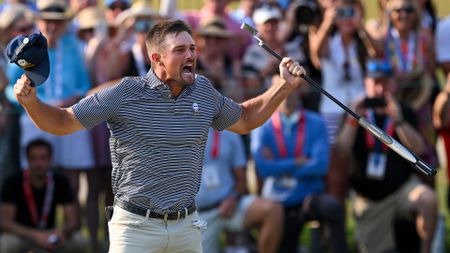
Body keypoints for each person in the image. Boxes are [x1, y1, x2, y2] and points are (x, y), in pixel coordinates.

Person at [11, 19, 306, 253]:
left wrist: (283, 86)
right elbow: (63, 122)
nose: (190, 55)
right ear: (157, 59)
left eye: (192, 48)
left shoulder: (203, 90)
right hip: (135, 227)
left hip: (187, 225)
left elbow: (244, 119)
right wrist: (32, 103)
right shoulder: (125, 93)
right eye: (180, 50)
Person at [335, 59, 438, 253]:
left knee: (428, 200)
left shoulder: (404, 111)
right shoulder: (353, 113)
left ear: (394, 84)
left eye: (385, 82)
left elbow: (418, 148)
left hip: (402, 190)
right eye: (375, 82)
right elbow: (341, 153)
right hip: (369, 199)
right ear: (366, 83)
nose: (380, 88)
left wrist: (398, 121)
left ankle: (426, 250)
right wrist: (352, 119)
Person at [251, 76, 347, 253]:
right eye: (280, 88)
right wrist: (297, 162)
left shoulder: (316, 122)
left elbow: (320, 166)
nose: (285, 94)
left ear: (298, 90)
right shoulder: (262, 127)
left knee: (333, 207)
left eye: (289, 87)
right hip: (277, 201)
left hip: (309, 196)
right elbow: (263, 169)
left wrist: (278, 166)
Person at [196, 128, 283, 253]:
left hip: (229, 205)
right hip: (197, 215)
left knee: (273, 210)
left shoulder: (228, 132)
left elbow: (241, 178)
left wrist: (233, 198)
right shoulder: (174, 132)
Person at [0, 139, 87, 253]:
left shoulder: (60, 181)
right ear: (27, 160)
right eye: (34, 158)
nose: (39, 163)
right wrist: (37, 236)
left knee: (80, 240)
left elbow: (73, 221)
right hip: (23, 236)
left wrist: (61, 233)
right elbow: (6, 223)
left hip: (50, 236)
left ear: (50, 160)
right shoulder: (13, 182)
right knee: (6, 243)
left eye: (43, 158)